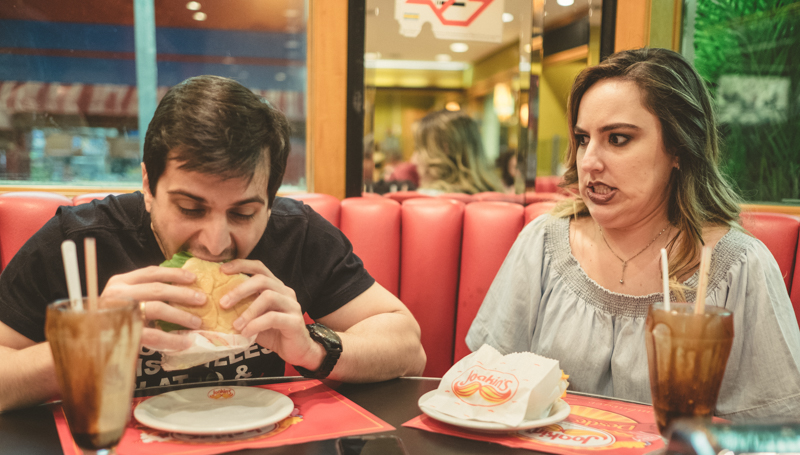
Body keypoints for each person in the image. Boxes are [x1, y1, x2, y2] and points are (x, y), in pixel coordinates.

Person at [0, 75, 426, 412]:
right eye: (190, 207)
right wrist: (93, 344)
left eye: (243, 213)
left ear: (269, 201)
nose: (215, 242)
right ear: (149, 185)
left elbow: (408, 346)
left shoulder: (296, 234)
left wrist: (313, 345)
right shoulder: (80, 240)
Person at [467, 48, 800, 421]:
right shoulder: (543, 242)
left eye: (618, 139)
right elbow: (487, 388)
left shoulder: (739, 267)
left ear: (678, 147)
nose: (589, 161)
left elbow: (780, 429)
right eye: (582, 139)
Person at [413, 110, 502, 195]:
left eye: (419, 150)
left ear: (445, 149)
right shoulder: (498, 195)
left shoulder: (426, 200)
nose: (414, 159)